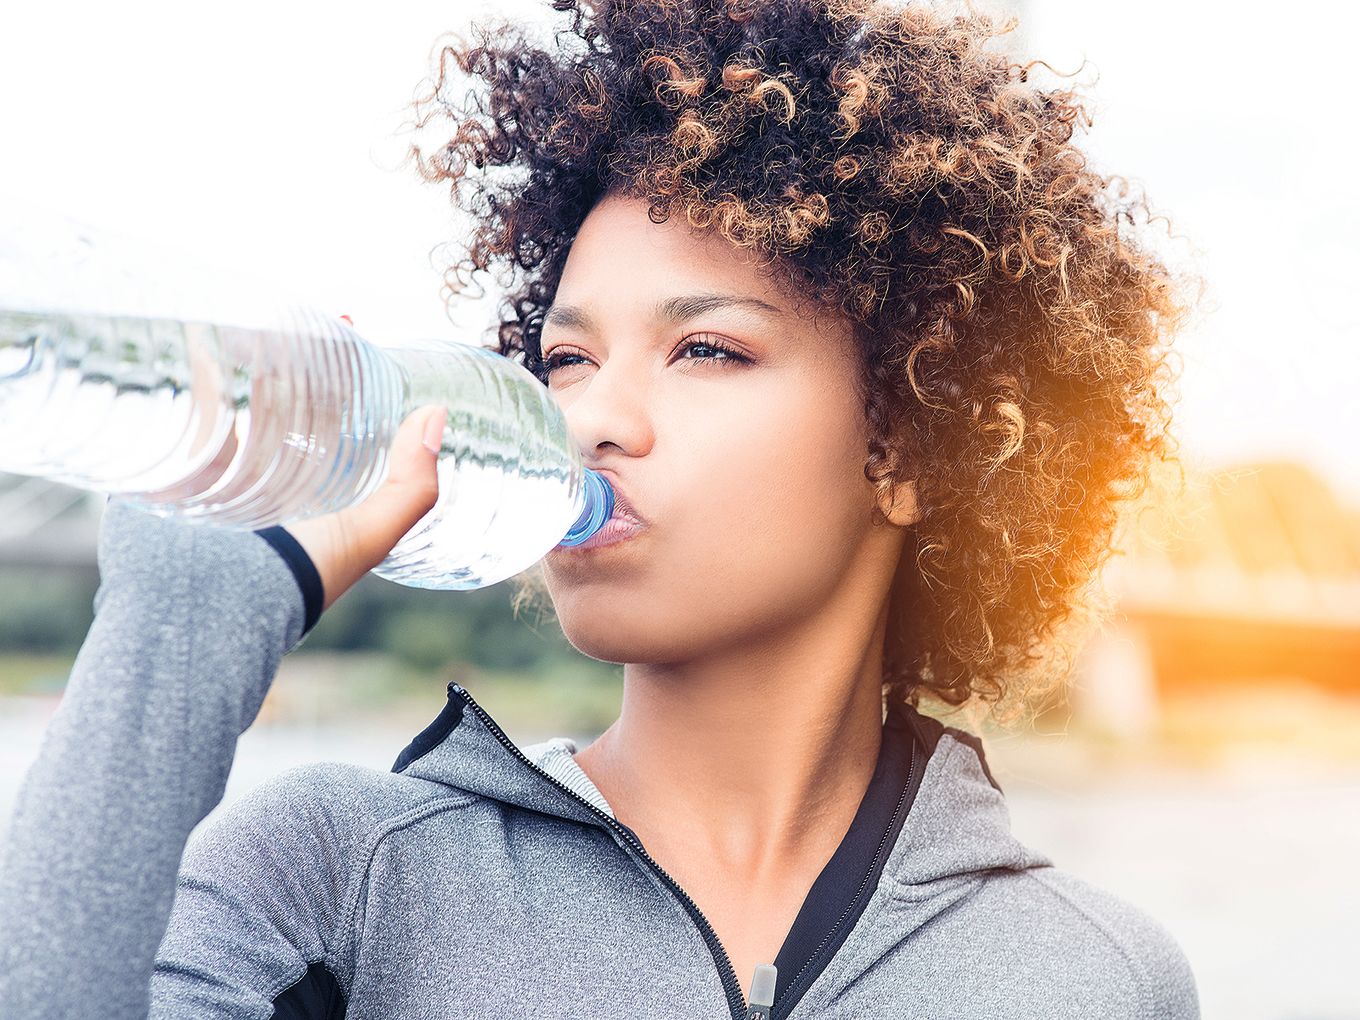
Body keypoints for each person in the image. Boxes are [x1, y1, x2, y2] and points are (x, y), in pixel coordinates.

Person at [0, 0, 1203, 1016]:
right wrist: (181, 620)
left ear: (910, 446)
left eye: (707, 350)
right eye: (566, 360)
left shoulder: (1096, 975)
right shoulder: (338, 876)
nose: (590, 420)